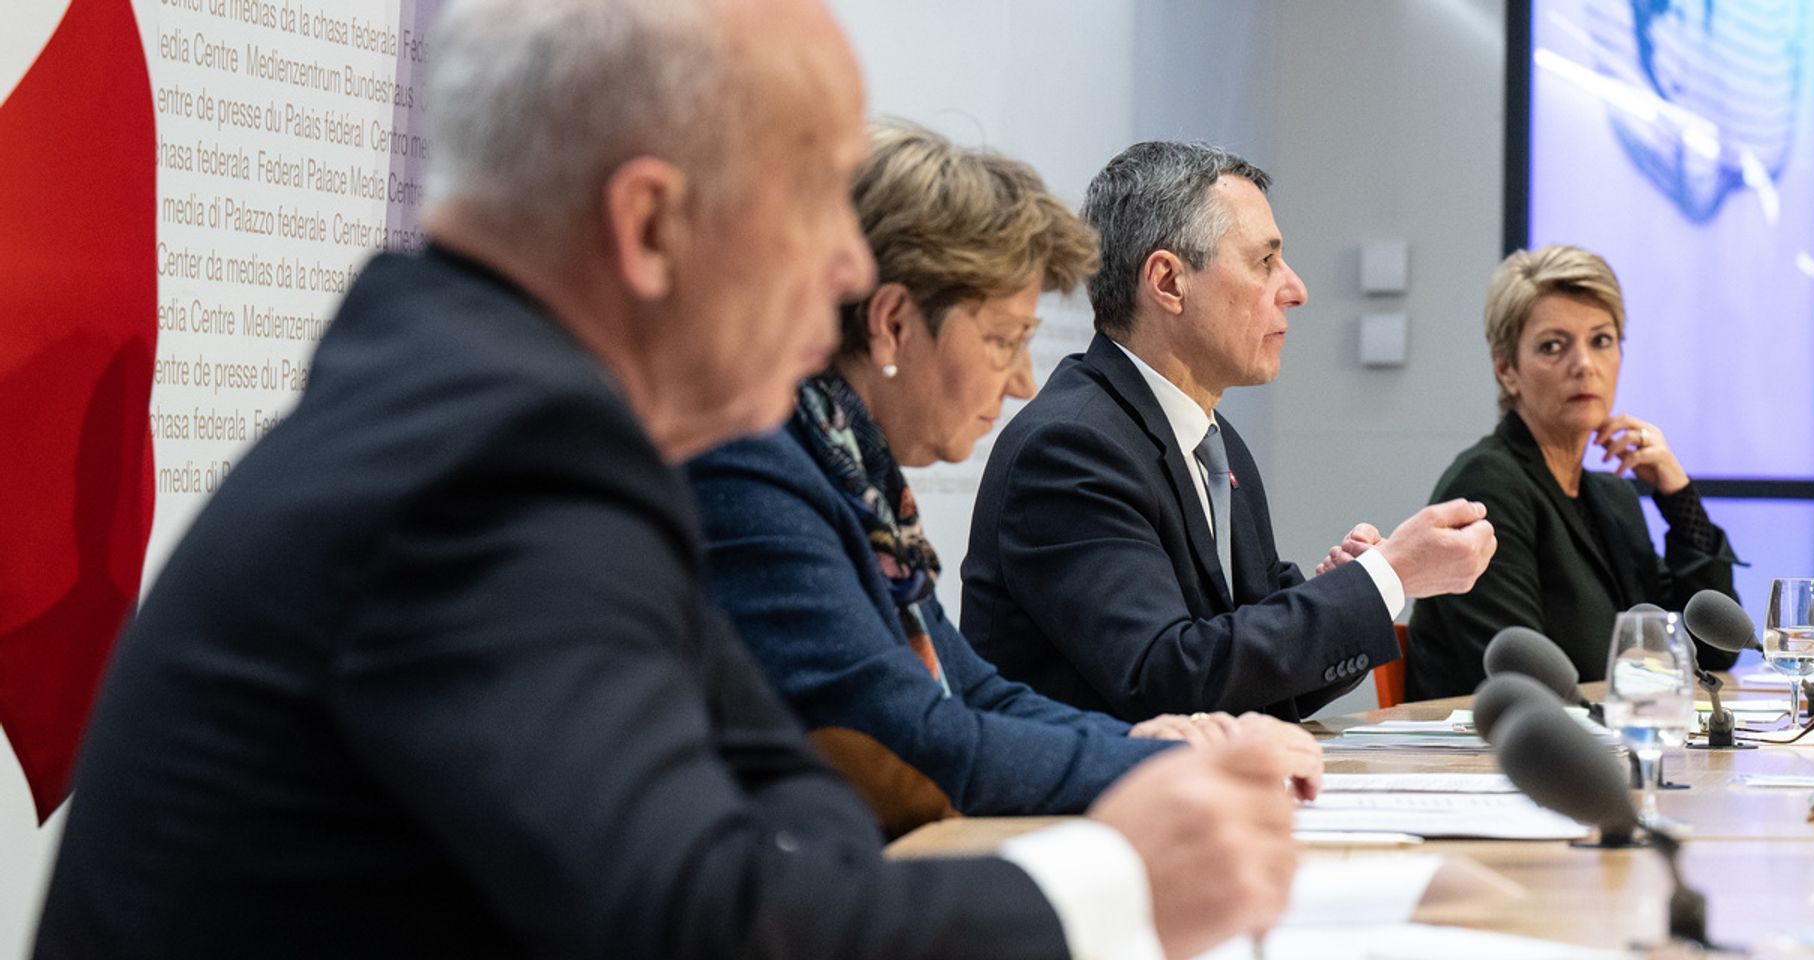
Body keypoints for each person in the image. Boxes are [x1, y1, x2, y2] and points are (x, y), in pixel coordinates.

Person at [33, 3, 1303, 958]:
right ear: (649, 227)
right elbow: (695, 922)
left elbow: (785, 790)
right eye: (813, 198)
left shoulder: (499, 416)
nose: (846, 269)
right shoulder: (495, 465)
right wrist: (1112, 886)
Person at [688, 122, 1322, 838]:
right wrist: (1159, 767)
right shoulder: (756, 469)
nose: (1024, 381)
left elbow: (972, 689)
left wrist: (1157, 744)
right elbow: (917, 731)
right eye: (1002, 340)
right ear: (893, 324)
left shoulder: (845, 465)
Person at [961, 140, 1496, 722]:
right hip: (1072, 810)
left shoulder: (1215, 442)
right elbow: (1168, 678)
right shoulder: (1070, 447)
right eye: (1264, 262)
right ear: (1168, 282)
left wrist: (1352, 591)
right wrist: (1386, 577)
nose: (1295, 289)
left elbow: (1250, 681)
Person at [1400, 245, 1740, 699]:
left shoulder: (1612, 498)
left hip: (1605, 741)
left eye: (1601, 340)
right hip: (1503, 757)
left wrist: (1677, 496)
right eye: (1553, 347)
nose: (1584, 365)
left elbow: (1712, 652)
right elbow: (1523, 677)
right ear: (1507, 371)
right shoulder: (1487, 487)